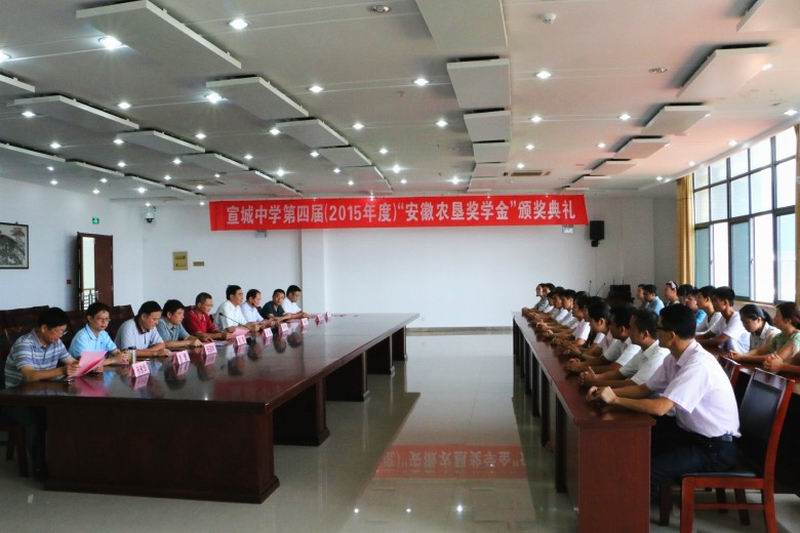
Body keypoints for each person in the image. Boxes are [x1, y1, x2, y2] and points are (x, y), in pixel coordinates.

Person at [586, 304, 739, 501]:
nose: (655, 332)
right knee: (633, 446)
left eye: (659, 328)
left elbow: (660, 408)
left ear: (671, 335)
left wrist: (615, 399)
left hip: (714, 448)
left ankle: (635, 513)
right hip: (688, 435)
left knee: (645, 470)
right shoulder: (674, 357)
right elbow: (644, 389)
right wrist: (605, 393)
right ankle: (615, 496)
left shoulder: (698, 365)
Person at [3, 308, 86, 479]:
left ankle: (67, 461)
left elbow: (72, 362)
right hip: (17, 398)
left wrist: (86, 365)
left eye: (63, 332)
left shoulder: (56, 342)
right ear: (44, 328)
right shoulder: (24, 344)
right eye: (58, 331)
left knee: (72, 410)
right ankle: (40, 466)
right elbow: (30, 376)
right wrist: (61, 370)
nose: (61, 335)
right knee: (38, 419)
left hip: (44, 393)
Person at [580, 309, 669, 388]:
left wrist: (596, 382)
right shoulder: (643, 350)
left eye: (631, 328)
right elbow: (620, 373)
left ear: (645, 334)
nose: (628, 331)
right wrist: (596, 378)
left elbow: (634, 385)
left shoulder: (659, 354)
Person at [566, 305, 635, 373]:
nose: (609, 326)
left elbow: (613, 368)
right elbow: (602, 360)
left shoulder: (633, 345)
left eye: (611, 324)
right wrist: (581, 364)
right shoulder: (620, 340)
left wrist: (580, 367)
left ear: (622, 329)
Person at [733, 302, 800, 366]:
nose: (774, 318)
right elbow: (759, 351)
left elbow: (776, 358)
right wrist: (741, 355)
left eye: (777, 316)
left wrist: (743, 357)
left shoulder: (797, 337)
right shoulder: (779, 336)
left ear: (787, 320)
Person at [697, 287, 750, 353]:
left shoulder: (737, 318)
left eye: (714, 300)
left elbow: (720, 340)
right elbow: (707, 335)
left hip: (741, 356)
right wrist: (689, 339)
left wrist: (696, 342)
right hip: (728, 354)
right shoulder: (723, 318)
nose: (712, 303)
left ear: (725, 302)